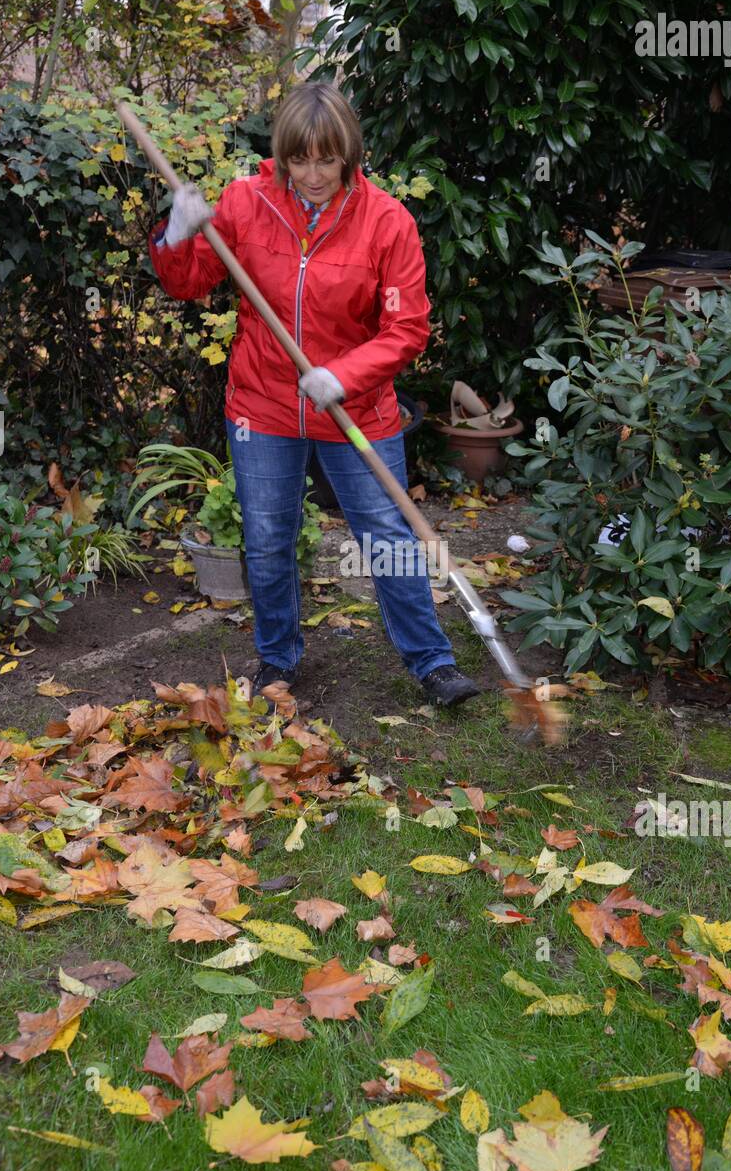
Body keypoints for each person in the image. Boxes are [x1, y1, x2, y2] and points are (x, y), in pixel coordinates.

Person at [148, 80, 481, 707]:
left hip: (357, 408)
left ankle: (432, 663)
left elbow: (407, 328)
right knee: (269, 538)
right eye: (299, 159)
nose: (313, 173)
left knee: (387, 535)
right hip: (263, 405)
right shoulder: (247, 202)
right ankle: (277, 662)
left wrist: (344, 375)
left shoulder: (387, 221)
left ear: (348, 153)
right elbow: (190, 284)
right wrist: (178, 236)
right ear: (283, 154)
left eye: (326, 158)